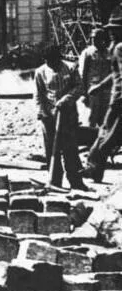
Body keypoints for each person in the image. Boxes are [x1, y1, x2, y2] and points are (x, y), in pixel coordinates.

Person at [34, 44, 87, 190]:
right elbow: (38, 95)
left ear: (58, 59)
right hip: (49, 117)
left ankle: (76, 182)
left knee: (70, 149)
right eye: (47, 61)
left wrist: (66, 99)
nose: (50, 64)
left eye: (52, 61)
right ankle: (55, 181)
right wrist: (42, 112)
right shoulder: (40, 72)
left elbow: (80, 87)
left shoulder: (70, 68)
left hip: (68, 116)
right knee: (51, 150)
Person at [80, 12, 122, 183]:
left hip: (119, 100)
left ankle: (93, 168)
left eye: (114, 29)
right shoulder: (113, 48)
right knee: (105, 133)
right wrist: (99, 87)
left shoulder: (119, 48)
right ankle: (94, 169)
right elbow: (115, 74)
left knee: (107, 135)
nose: (111, 33)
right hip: (115, 97)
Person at [79, 28, 112, 128]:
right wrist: (84, 93)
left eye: (97, 38)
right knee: (91, 117)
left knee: (105, 117)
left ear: (102, 39)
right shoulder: (87, 53)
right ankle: (89, 136)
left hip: (105, 90)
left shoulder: (108, 52)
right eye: (93, 38)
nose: (94, 40)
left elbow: (112, 71)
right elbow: (82, 74)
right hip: (92, 90)